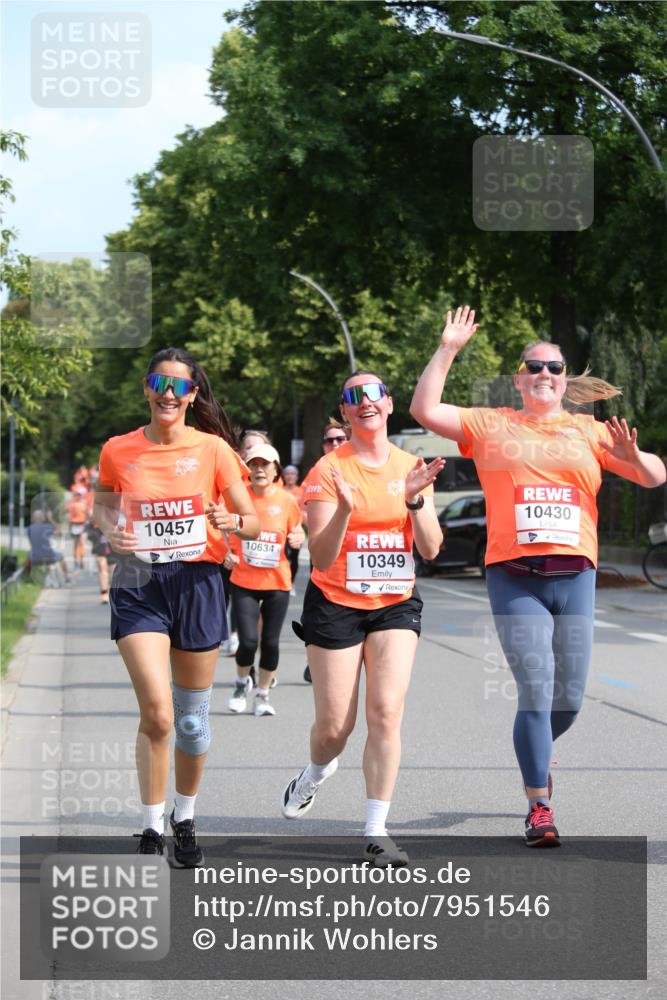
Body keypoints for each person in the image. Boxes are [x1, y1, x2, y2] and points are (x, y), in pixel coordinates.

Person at [410, 305, 666, 847]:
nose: (545, 374)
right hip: (515, 576)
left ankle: (536, 755)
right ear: (519, 377)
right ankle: (539, 806)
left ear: (566, 379)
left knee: (567, 701)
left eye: (554, 367)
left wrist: (633, 456)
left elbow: (654, 476)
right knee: (535, 688)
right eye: (535, 367)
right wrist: (449, 347)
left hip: (575, 577)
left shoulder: (590, 431)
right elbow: (424, 408)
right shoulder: (491, 423)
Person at [94, 347, 259, 865]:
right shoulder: (118, 450)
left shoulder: (212, 450)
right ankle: (149, 826)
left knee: (191, 721)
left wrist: (233, 523)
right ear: (146, 388)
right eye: (159, 383)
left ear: (192, 395)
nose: (168, 393)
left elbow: (251, 520)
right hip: (138, 582)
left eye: (179, 386)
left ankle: (184, 818)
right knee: (159, 715)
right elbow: (103, 509)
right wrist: (110, 532)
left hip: (198, 583)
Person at [281, 372, 444, 866]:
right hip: (335, 603)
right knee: (335, 727)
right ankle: (312, 774)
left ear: (389, 405)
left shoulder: (410, 465)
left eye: (373, 394)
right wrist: (345, 512)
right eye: (353, 397)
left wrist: (414, 500)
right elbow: (324, 557)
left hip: (395, 603)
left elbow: (432, 548)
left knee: (386, 713)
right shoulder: (328, 470)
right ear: (346, 412)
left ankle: (376, 829)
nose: (365, 403)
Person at [225, 444, 304, 717]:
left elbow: (297, 529)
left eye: (265, 464)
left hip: (277, 581)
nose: (259, 469)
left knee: (270, 642)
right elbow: (220, 529)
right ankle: (240, 684)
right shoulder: (237, 499)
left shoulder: (286, 500)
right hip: (244, 579)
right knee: (247, 641)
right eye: (254, 464)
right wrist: (226, 552)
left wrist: (299, 537)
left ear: (276, 469)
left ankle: (263, 694)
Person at [298, 418, 351, 683]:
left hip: (358, 561)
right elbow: (301, 508)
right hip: (326, 554)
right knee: (319, 610)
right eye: (329, 440)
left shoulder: (361, 465)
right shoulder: (319, 470)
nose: (334, 444)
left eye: (340, 439)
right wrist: (321, 519)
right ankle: (316, 656)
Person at [27, 509, 70, 583]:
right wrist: (50, 518)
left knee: (28, 558)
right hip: (49, 556)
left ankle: (27, 578)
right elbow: (60, 533)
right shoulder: (47, 527)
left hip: (35, 557)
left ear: (33, 518)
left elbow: (32, 543)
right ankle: (67, 576)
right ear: (42, 518)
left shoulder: (29, 529)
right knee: (61, 556)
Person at [66, 486, 89, 569]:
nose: (79, 496)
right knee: (76, 544)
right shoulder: (72, 503)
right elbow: (65, 511)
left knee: (82, 543)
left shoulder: (85, 503)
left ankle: (82, 561)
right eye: (77, 494)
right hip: (74, 524)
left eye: (80, 494)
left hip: (83, 524)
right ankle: (76, 562)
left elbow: (88, 514)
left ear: (83, 495)